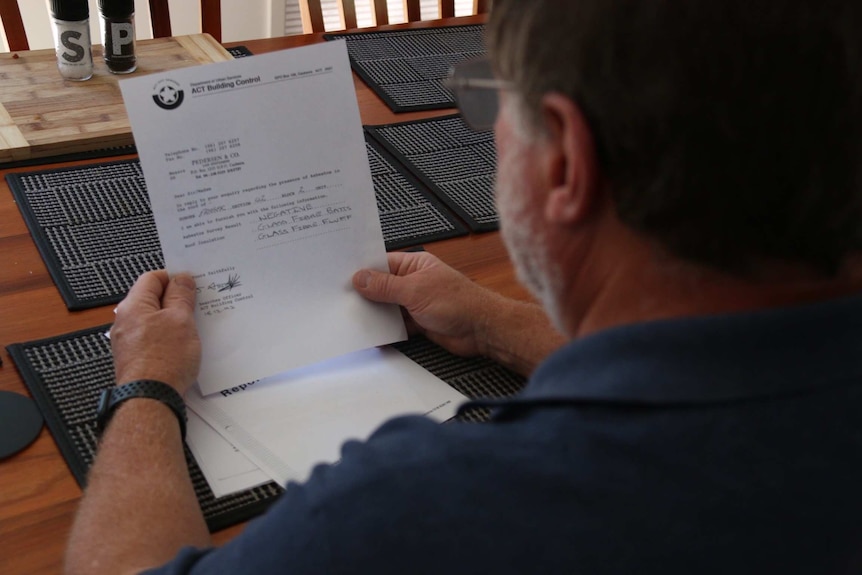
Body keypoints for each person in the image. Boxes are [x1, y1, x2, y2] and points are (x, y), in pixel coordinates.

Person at [65, 0, 862, 573]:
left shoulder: (416, 510)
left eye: (492, 102)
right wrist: (495, 323)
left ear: (565, 165)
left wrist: (145, 387)